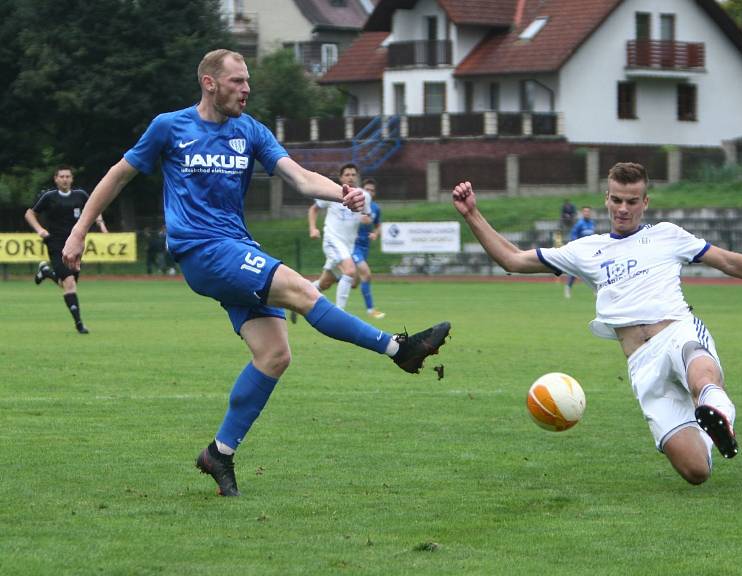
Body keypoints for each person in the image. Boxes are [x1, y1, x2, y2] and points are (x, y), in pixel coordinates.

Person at [62, 49, 450, 497]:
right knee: (302, 291)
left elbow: (301, 178)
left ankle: (219, 453)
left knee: (274, 355)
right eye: (237, 82)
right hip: (200, 250)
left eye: (247, 82)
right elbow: (117, 176)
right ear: (209, 83)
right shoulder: (170, 127)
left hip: (237, 248)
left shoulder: (250, 131)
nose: (246, 90)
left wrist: (342, 192)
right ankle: (398, 349)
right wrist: (78, 232)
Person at [452, 162, 742, 485]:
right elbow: (512, 260)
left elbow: (727, 261)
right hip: (642, 364)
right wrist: (472, 214)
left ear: (644, 202)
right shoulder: (586, 250)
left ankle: (715, 411)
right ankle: (712, 431)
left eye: (632, 201)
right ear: (606, 199)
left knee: (701, 371)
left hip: (677, 330)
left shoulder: (667, 235)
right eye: (616, 199)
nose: (623, 208)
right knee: (696, 472)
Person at [24, 165, 109, 334]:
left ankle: (46, 272)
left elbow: (94, 209)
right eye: (61, 176)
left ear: (72, 179)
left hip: (76, 243)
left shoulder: (80, 196)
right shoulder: (50, 197)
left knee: (67, 284)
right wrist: (40, 230)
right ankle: (79, 325)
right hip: (55, 243)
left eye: (67, 176)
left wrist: (101, 224)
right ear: (56, 179)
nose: (64, 179)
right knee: (69, 284)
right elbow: (29, 213)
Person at [306, 163, 370, 312]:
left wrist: (367, 219)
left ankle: (299, 298)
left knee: (325, 284)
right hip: (332, 240)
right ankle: (340, 314)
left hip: (348, 246)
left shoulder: (363, 196)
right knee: (349, 271)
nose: (351, 177)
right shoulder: (333, 193)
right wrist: (313, 228)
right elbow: (313, 209)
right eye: (347, 174)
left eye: (353, 174)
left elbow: (367, 216)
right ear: (341, 177)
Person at [352, 177, 386, 319]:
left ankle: (320, 284)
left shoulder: (376, 208)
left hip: (365, 247)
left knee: (353, 283)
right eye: (367, 189)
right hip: (353, 246)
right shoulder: (355, 205)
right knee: (366, 274)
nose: (369, 192)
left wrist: (375, 233)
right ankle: (371, 310)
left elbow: (378, 225)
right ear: (362, 190)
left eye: (372, 190)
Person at [563, 206, 596, 299]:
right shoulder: (579, 224)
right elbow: (573, 235)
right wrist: (577, 246)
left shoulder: (592, 223)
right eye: (585, 212)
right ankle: (568, 287)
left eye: (588, 212)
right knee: (575, 270)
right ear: (582, 213)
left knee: (593, 269)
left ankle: (595, 289)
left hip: (590, 251)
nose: (587, 213)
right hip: (581, 251)